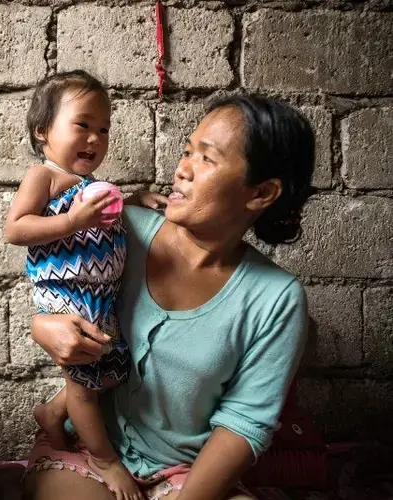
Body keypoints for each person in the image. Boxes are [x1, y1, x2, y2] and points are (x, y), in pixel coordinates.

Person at [24, 93, 314, 500]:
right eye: (187, 151)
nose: (182, 169)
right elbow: (54, 280)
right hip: (88, 450)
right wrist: (42, 326)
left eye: (206, 159)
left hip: (184, 471)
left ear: (261, 193)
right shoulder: (120, 229)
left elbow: (244, 425)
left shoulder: (275, 298)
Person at [4, 70, 165, 500]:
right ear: (43, 131)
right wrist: (73, 220)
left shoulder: (92, 186)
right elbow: (16, 229)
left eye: (103, 129)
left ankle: (52, 413)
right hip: (67, 295)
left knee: (109, 372)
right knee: (84, 385)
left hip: (100, 295)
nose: (94, 138)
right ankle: (104, 459)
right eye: (82, 125)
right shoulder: (45, 178)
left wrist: (133, 199)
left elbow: (106, 216)